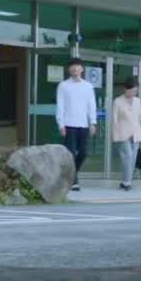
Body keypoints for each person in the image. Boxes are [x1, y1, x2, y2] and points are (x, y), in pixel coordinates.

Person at [56, 58, 97, 191]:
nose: (75, 69)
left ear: (82, 69)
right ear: (69, 69)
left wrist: (93, 122)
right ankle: (74, 181)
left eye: (77, 66)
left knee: (84, 153)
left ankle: (71, 174)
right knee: (71, 154)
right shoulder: (63, 85)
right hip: (69, 124)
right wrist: (61, 124)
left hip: (83, 124)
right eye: (72, 66)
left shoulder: (88, 86)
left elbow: (91, 105)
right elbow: (60, 106)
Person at [112, 75, 141, 191]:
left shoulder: (138, 101)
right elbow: (114, 120)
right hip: (123, 134)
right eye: (132, 91)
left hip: (136, 133)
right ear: (125, 89)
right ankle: (127, 182)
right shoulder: (117, 101)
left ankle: (125, 181)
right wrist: (115, 135)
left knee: (133, 158)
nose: (133, 93)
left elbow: (140, 118)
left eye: (135, 91)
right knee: (128, 156)